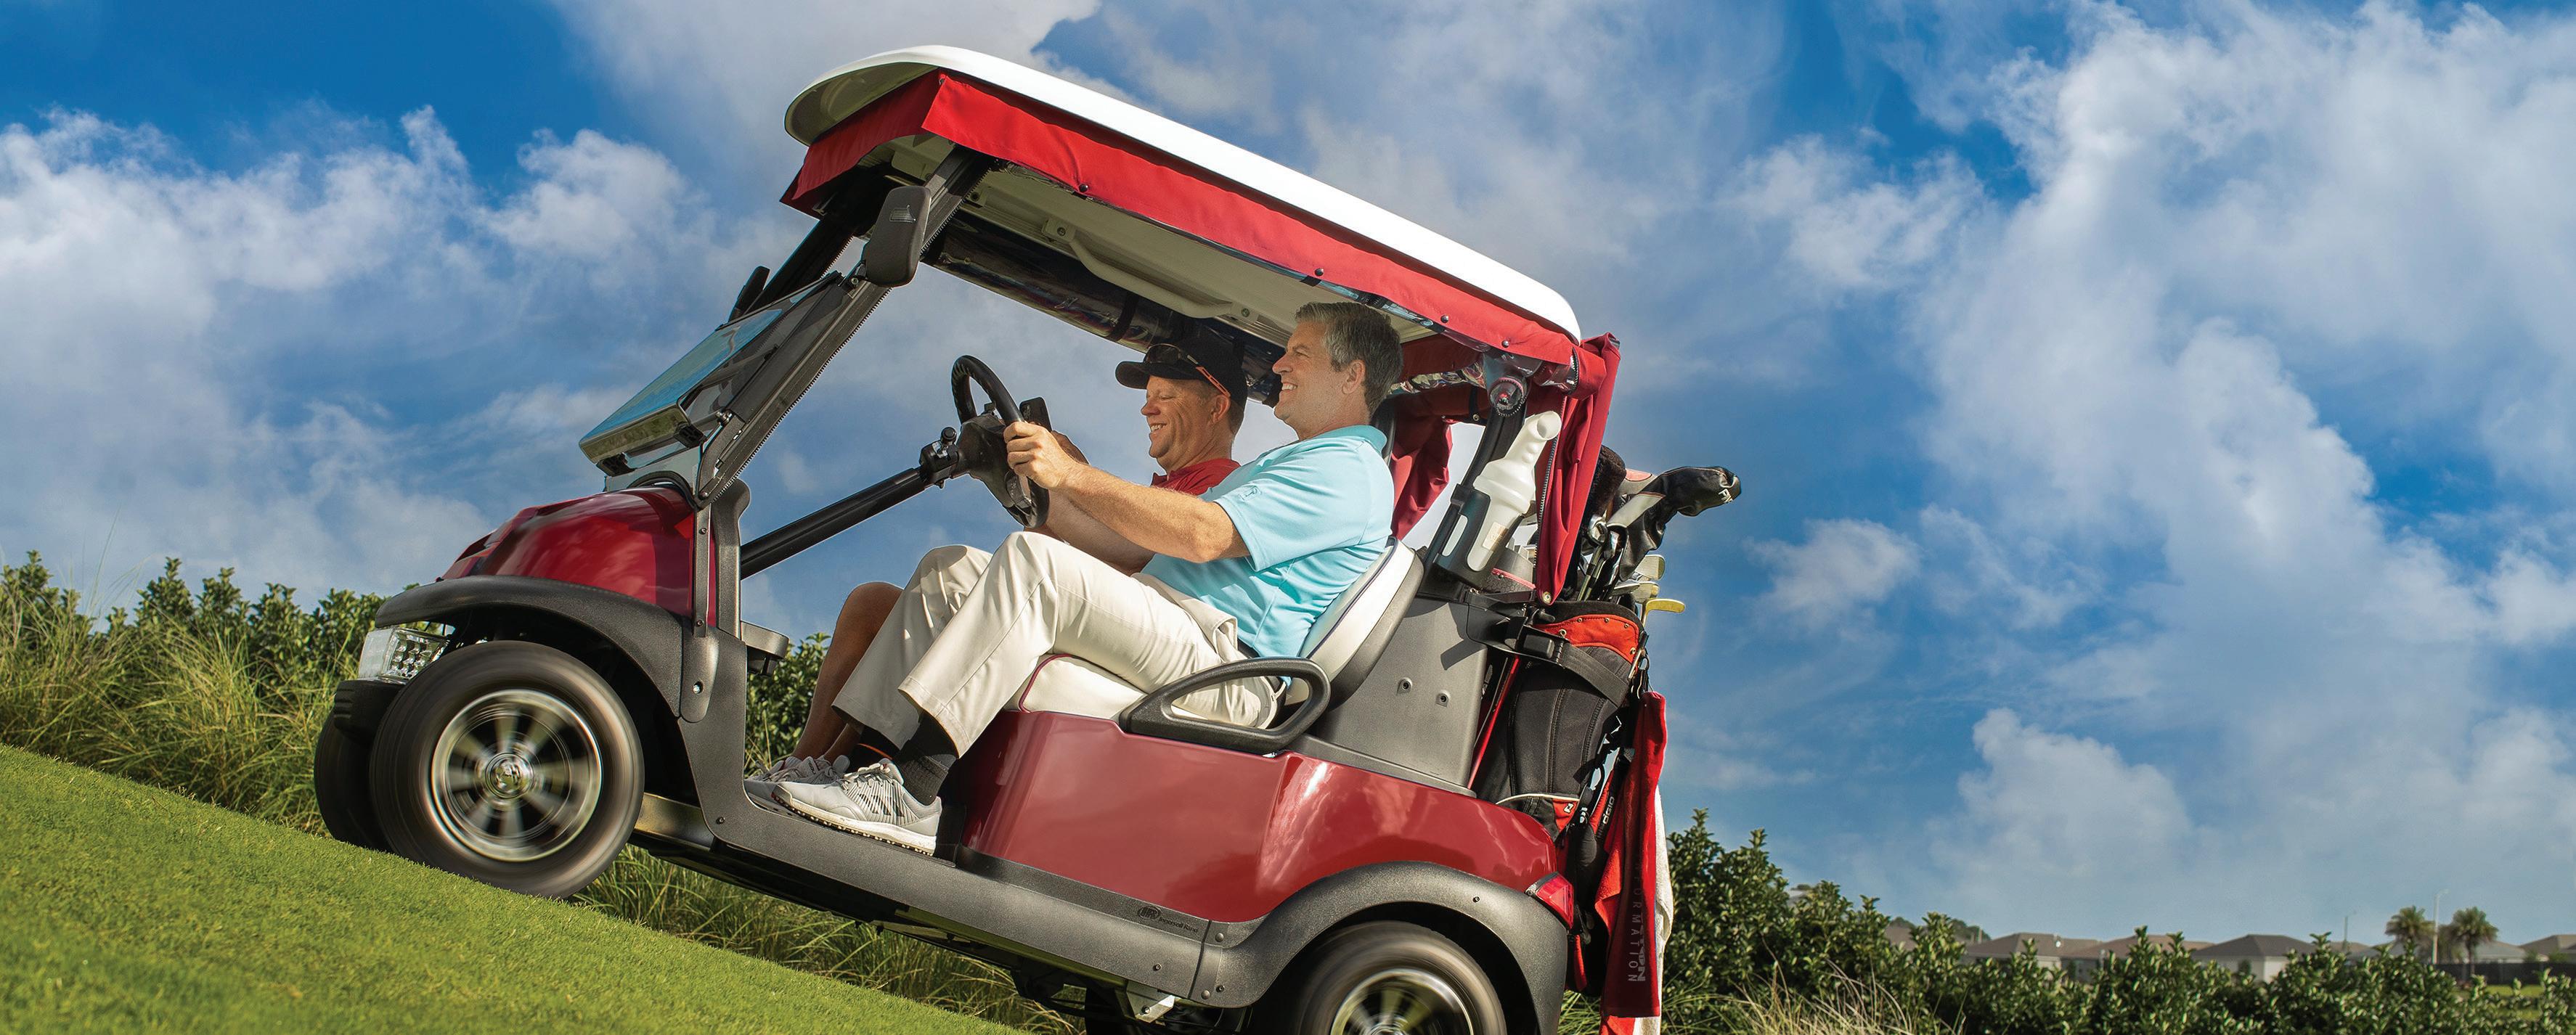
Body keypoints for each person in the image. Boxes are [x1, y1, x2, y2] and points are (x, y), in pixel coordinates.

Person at [774, 302, 1402, 853]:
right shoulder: (1297, 462)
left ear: (1352, 375)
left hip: (1225, 664)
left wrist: (1073, 475)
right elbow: (1135, 554)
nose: (1280, 365)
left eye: (1299, 353)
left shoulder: (1348, 469)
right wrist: (1045, 488)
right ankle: (853, 766)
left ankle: (910, 793)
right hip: (1174, 624)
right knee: (951, 569)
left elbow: (1204, 535)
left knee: (1035, 563)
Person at [743, 338, 1248, 802]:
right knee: (879, 599)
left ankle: (878, 774)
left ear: (1216, 406)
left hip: (1149, 646)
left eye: (1165, 396)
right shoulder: (1163, 491)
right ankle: (810, 765)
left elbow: (1127, 563)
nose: (1147, 408)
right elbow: (1080, 558)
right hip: (1087, 617)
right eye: (1149, 395)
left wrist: (1069, 475)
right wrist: (1033, 481)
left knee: (959, 581)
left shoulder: (1218, 496)